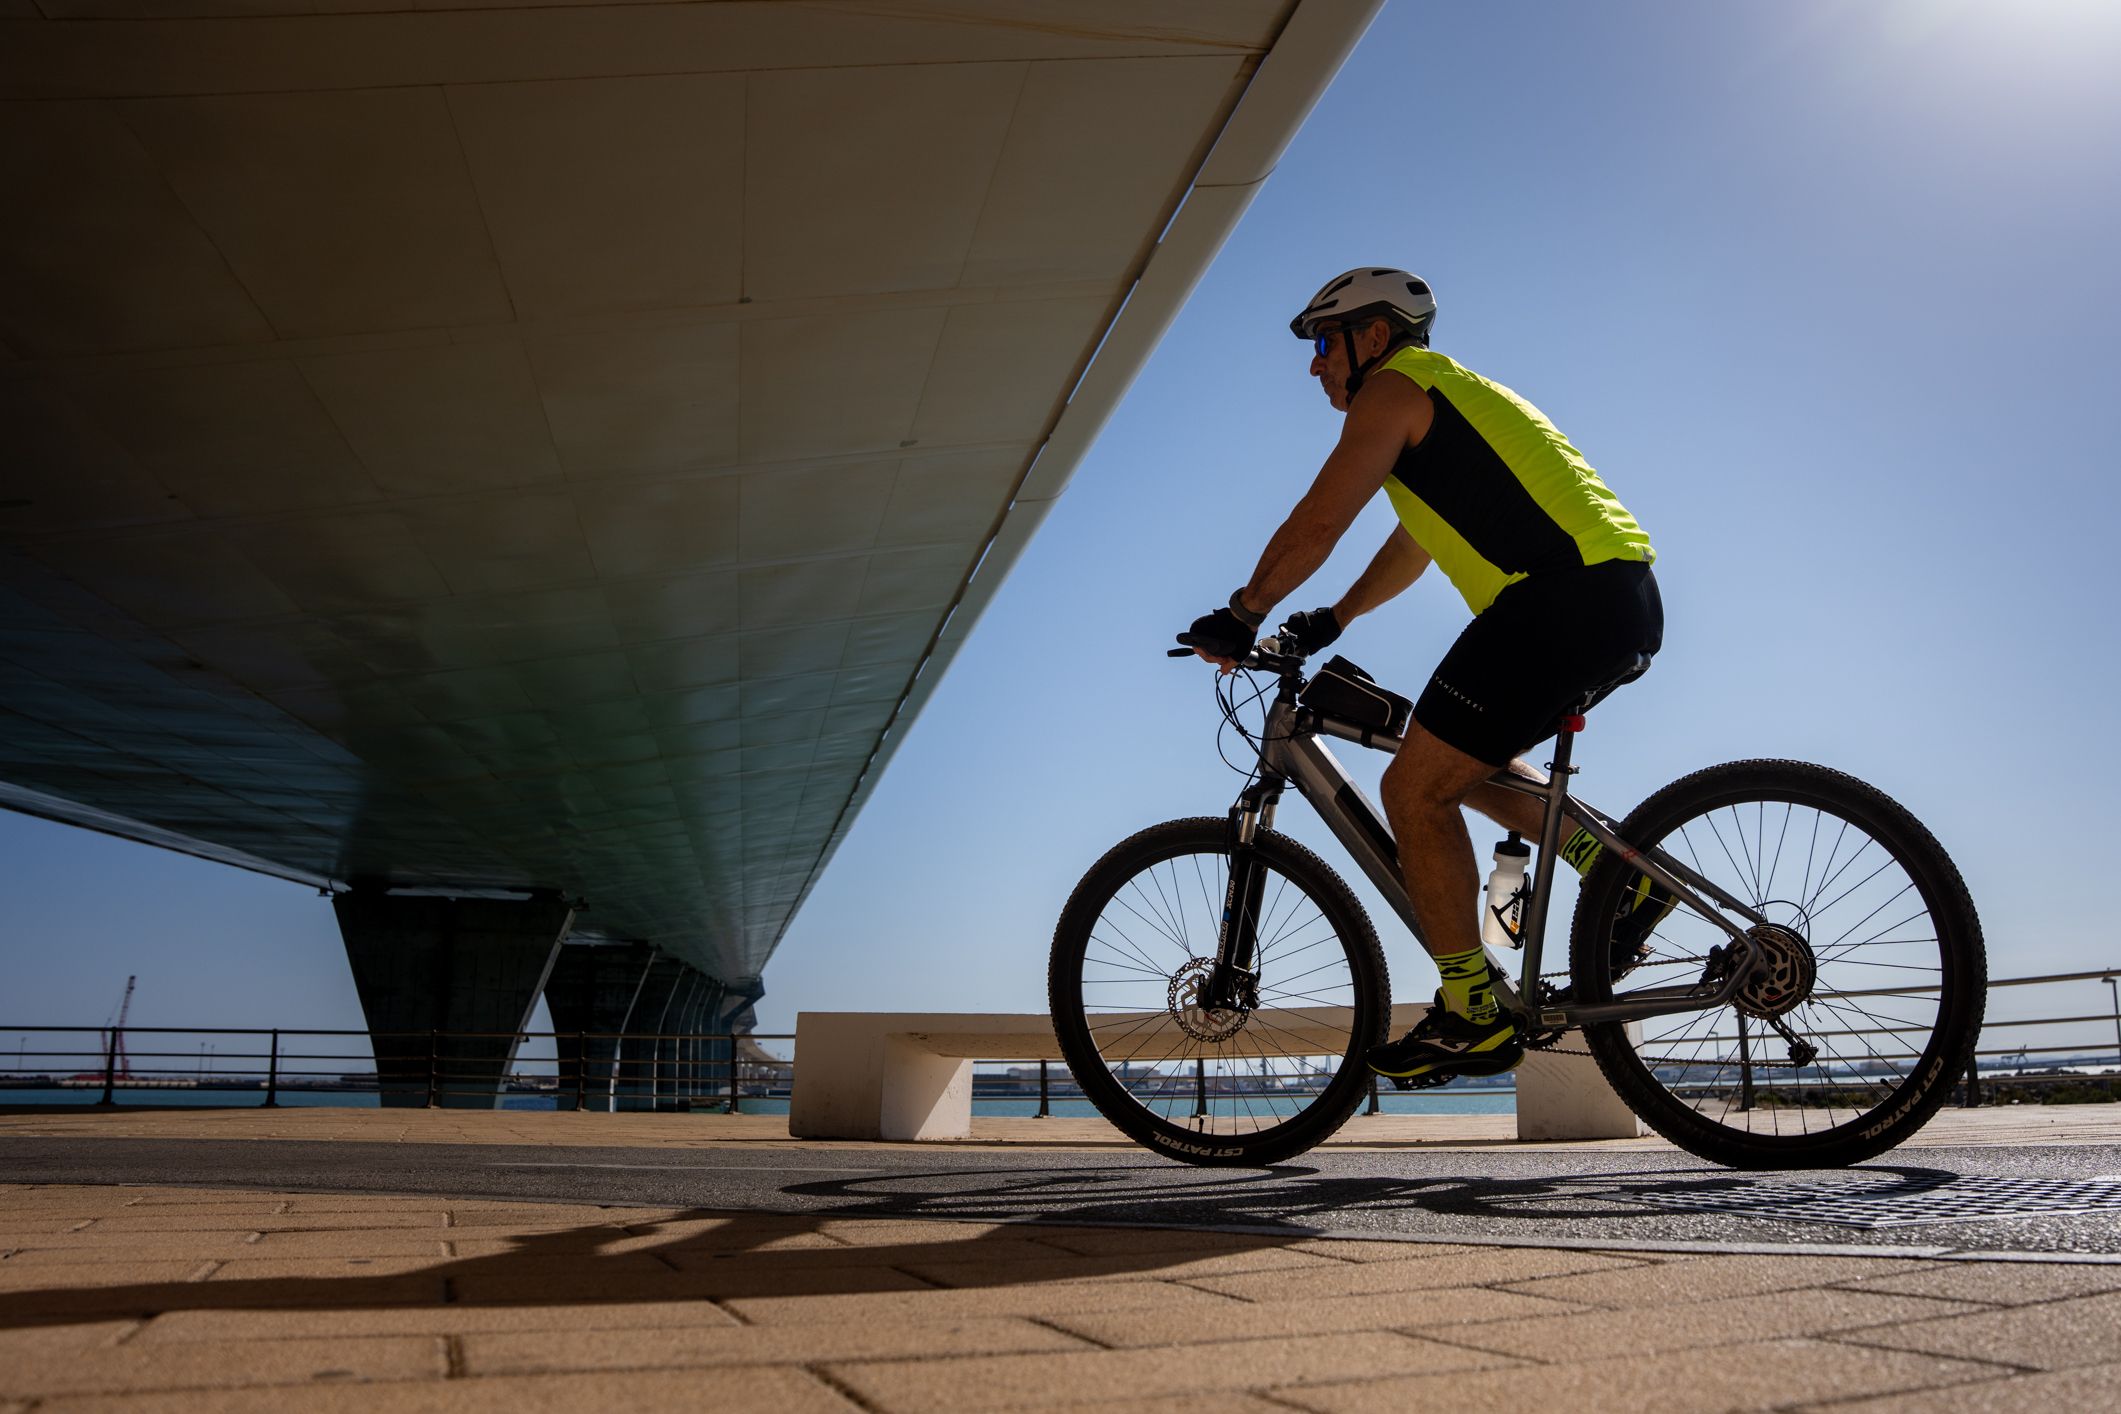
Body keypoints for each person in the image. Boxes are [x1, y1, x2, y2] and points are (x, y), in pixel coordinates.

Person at [1178, 267, 1666, 1084]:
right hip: (1614, 595)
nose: (1313, 366)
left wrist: (1245, 610)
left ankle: (1472, 1010)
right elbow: (1413, 544)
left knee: (1411, 789)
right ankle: (1620, 874)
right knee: (1447, 765)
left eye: (1323, 343)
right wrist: (1332, 618)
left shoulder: (1395, 388)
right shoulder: (1443, 405)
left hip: (1559, 598)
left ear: (1374, 336)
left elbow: (1320, 517)